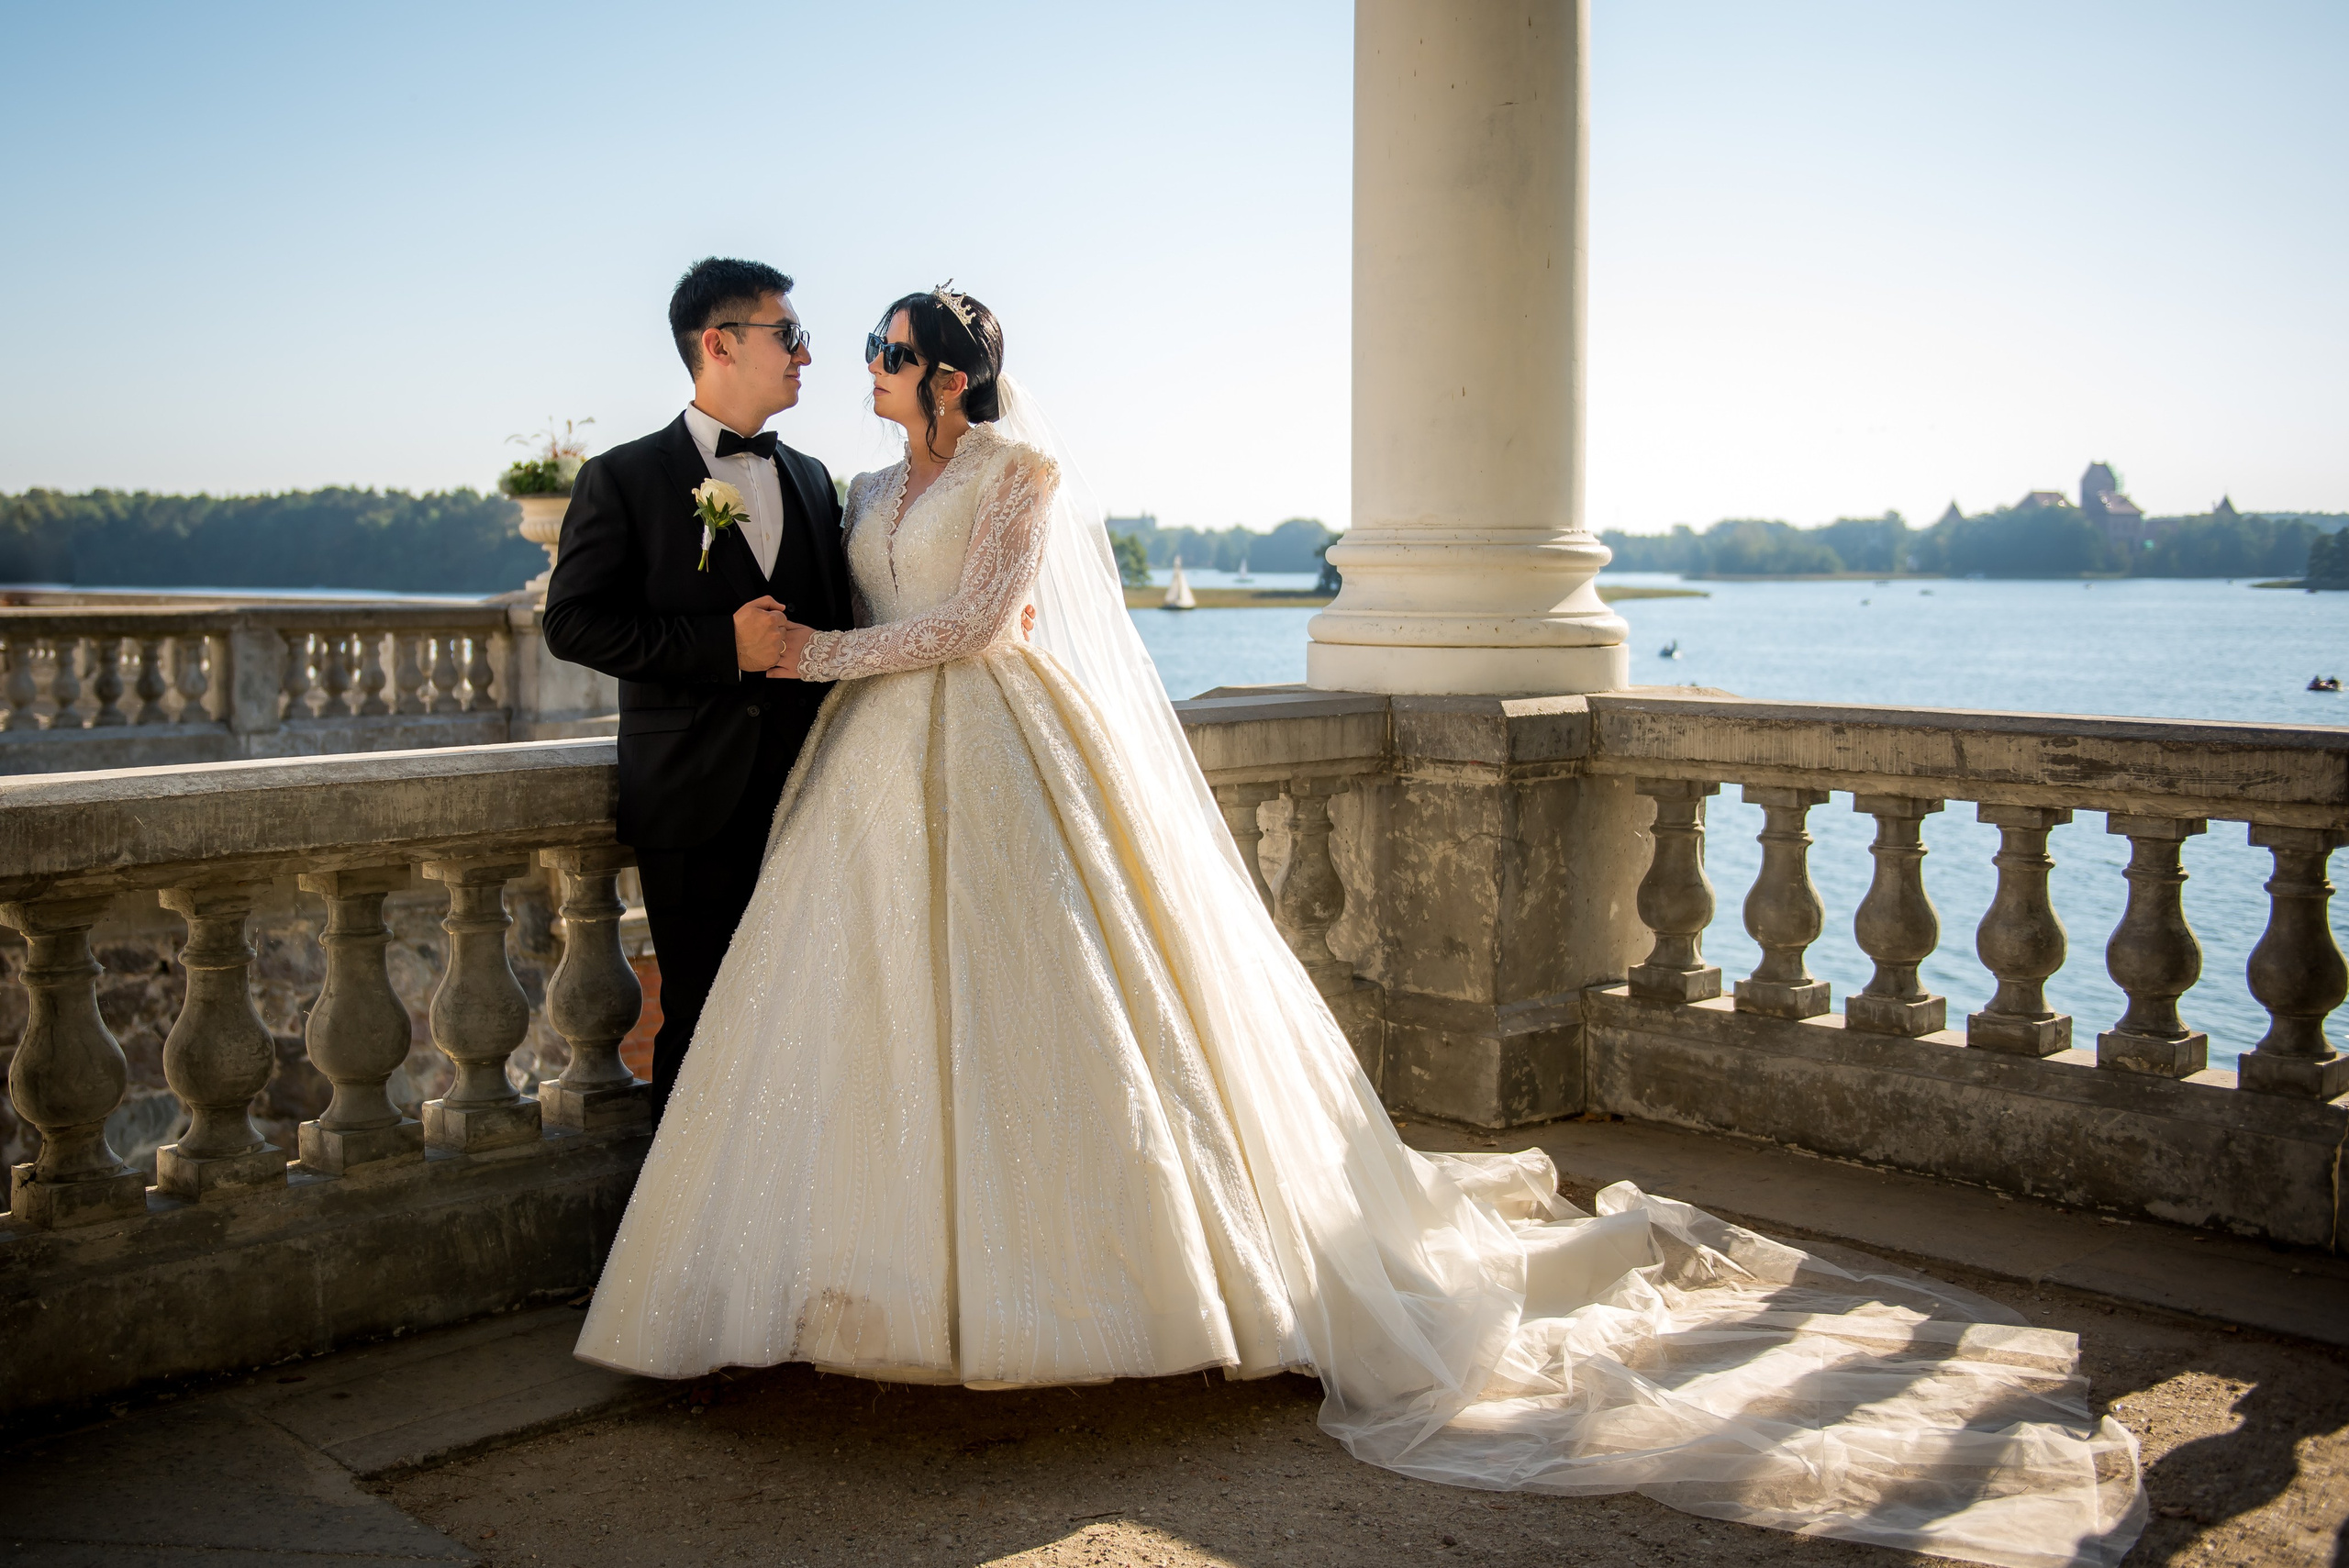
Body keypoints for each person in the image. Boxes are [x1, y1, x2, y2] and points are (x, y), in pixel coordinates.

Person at [577, 284, 2145, 1568]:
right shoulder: (851, 485)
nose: (855, 362)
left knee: (1054, 1006)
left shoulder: (1021, 479)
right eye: (844, 347)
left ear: (948, 373)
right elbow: (819, 603)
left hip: (994, 743)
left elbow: (982, 625)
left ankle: (1106, 1298)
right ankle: (841, 1290)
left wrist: (810, 666)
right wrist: (793, 658)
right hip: (866, 772)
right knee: (861, 1013)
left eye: (881, 351)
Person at [541, 257, 853, 1121]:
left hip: (814, 793)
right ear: (718, 343)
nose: (805, 355)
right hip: (692, 802)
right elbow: (571, 623)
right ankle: (684, 1249)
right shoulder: (625, 478)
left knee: (815, 1024)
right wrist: (723, 645)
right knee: (704, 1023)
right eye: (787, 335)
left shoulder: (815, 479)